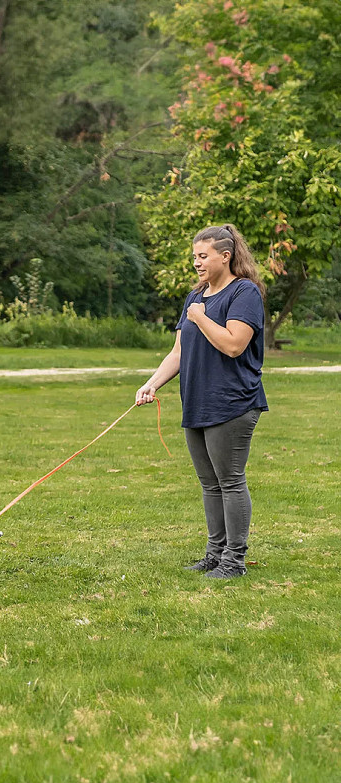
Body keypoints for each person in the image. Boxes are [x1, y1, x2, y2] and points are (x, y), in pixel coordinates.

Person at [136, 224, 268, 579]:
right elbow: (178, 351)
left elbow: (233, 344)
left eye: (203, 256)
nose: (196, 262)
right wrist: (151, 384)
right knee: (209, 483)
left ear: (225, 256)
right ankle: (215, 554)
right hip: (196, 401)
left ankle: (234, 561)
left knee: (230, 480)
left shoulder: (244, 293)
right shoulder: (195, 297)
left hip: (233, 402)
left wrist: (201, 316)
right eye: (194, 256)